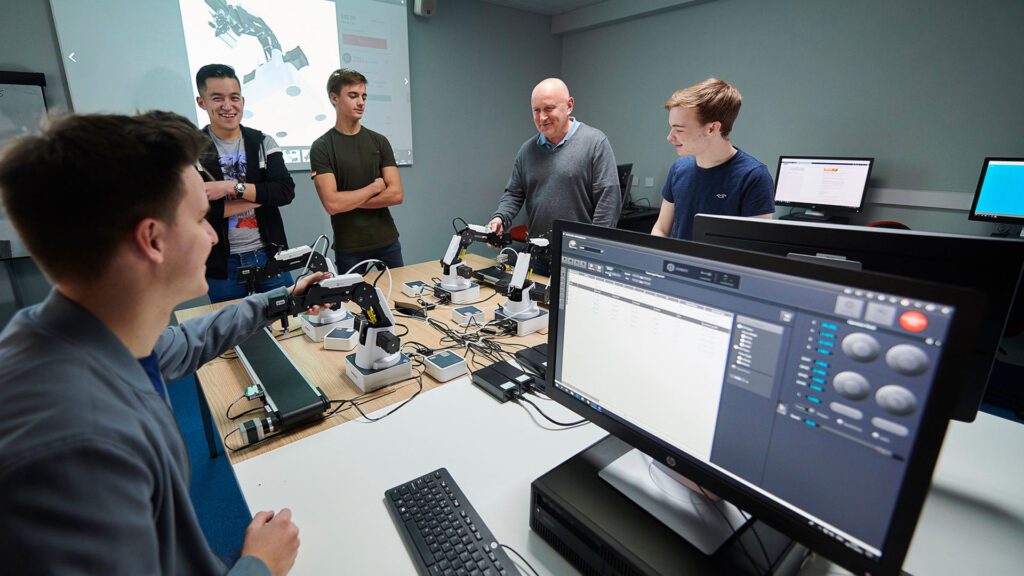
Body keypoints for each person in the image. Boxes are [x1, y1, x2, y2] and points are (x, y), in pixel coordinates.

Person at [0, 111, 323, 575]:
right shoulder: (79, 446)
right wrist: (259, 565)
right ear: (151, 240)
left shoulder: (72, 328)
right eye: (199, 219)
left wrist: (281, 301)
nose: (213, 234)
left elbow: (185, 341)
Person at [488, 78, 621, 276]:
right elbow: (514, 194)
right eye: (536, 110)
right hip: (537, 254)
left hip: (579, 257)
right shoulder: (527, 150)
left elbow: (608, 203)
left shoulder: (595, 143)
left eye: (549, 109)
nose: (542, 117)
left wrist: (592, 249)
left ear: (569, 106)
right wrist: (500, 218)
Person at [195, 63, 297, 303]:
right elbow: (198, 211)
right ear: (202, 102)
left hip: (271, 255)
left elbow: (285, 191)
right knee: (232, 334)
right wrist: (262, 197)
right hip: (223, 265)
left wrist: (229, 187)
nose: (228, 106)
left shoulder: (262, 142)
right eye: (217, 98)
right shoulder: (191, 150)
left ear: (243, 100)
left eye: (234, 97)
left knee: (288, 326)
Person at [651, 78, 775, 240]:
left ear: (712, 128)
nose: (670, 137)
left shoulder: (753, 176)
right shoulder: (679, 168)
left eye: (679, 130)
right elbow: (661, 229)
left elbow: (757, 247)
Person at [310, 68, 404, 274]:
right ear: (334, 98)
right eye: (353, 96)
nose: (361, 102)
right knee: (351, 305)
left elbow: (396, 195)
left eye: (363, 96)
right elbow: (332, 204)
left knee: (399, 302)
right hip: (349, 246)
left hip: (387, 240)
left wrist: (348, 201)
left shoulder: (379, 141)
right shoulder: (322, 146)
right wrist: (374, 187)